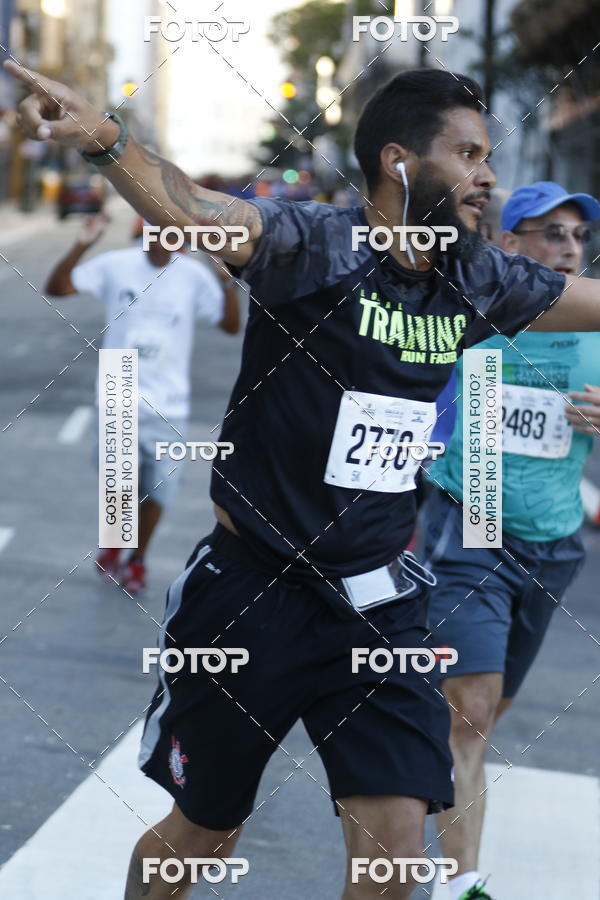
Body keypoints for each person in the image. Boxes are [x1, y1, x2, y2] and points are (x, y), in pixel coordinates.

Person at [8, 59, 600, 900]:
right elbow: (190, 205)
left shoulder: (476, 276)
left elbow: (592, 298)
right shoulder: (312, 246)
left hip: (381, 603)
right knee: (203, 837)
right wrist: (106, 137)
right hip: (253, 595)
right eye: (468, 153)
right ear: (399, 162)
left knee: (397, 863)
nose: (488, 174)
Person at [423, 180, 600, 900]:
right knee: (469, 712)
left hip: (554, 543)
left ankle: (409, 760)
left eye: (577, 236)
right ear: (508, 245)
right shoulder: (474, 315)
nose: (567, 248)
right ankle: (462, 883)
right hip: (471, 521)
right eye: (549, 233)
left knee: (484, 714)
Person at [45, 211, 240, 594]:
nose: (169, 241)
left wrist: (226, 282)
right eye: (161, 232)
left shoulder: (193, 275)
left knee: (157, 490)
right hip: (121, 388)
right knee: (121, 483)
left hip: (171, 401)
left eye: (176, 235)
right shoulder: (118, 265)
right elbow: (58, 287)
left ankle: (137, 559)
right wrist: (82, 244)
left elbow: (231, 326)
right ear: (146, 233)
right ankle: (116, 541)